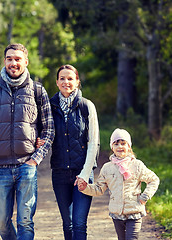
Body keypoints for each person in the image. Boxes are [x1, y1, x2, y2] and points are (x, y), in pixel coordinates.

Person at [0, 43, 55, 240]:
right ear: (4, 61)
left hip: (27, 165)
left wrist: (35, 159)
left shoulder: (37, 91)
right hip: (0, 168)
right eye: (9, 59)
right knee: (1, 221)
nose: (13, 63)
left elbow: (50, 129)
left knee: (25, 221)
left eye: (17, 59)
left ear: (26, 62)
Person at [79, 128, 160, 240]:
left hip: (134, 211)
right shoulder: (107, 168)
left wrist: (145, 195)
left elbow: (154, 180)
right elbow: (99, 188)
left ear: (129, 147)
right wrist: (85, 188)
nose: (120, 147)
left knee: (132, 238)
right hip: (116, 213)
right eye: (116, 144)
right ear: (112, 147)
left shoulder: (137, 165)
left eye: (123, 143)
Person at [49, 64, 100, 240]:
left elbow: (94, 143)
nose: (66, 82)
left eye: (70, 78)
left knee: (79, 223)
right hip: (60, 174)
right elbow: (44, 135)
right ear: (57, 82)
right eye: (62, 78)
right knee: (67, 223)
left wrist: (85, 174)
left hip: (82, 173)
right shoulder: (49, 107)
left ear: (77, 82)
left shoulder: (87, 106)